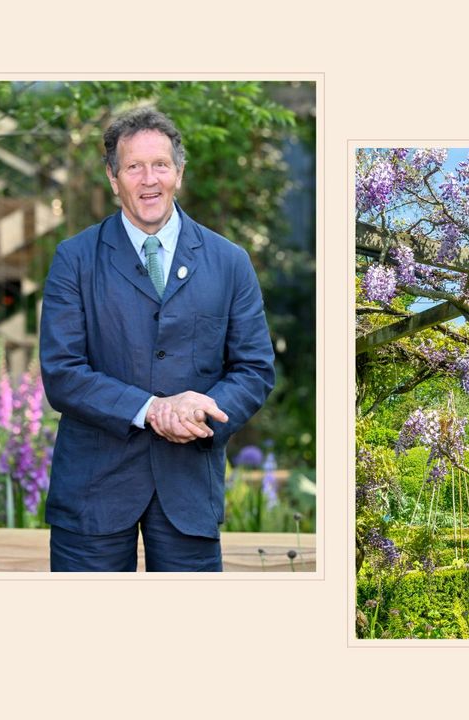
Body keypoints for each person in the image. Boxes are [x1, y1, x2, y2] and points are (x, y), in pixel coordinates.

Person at [39, 107, 275, 572]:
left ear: (179, 174)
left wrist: (201, 409)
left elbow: (254, 369)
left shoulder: (229, 262)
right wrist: (152, 411)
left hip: (188, 491)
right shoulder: (75, 259)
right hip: (93, 493)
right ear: (113, 178)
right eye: (134, 167)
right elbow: (62, 373)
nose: (149, 179)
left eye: (160, 165)